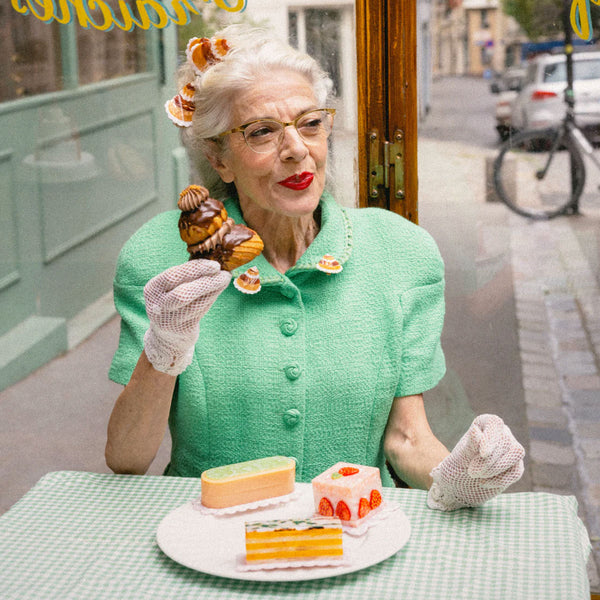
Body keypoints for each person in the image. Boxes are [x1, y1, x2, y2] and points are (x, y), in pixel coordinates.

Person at [105, 25, 524, 511]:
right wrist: (166, 347)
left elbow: (407, 439)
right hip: (210, 536)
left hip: (357, 531)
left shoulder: (400, 253)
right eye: (262, 131)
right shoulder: (162, 257)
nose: (296, 149)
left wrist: (461, 478)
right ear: (219, 158)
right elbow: (127, 458)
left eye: (310, 123)